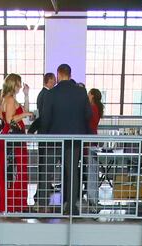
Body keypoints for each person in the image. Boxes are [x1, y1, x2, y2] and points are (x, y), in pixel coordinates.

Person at [45, 64, 93, 215]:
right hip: (75, 139)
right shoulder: (81, 92)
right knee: (72, 172)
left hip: (54, 139)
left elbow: (46, 118)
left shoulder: (52, 93)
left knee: (48, 170)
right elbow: (88, 114)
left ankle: (44, 204)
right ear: (70, 74)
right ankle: (71, 206)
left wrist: (45, 134)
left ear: (58, 75)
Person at [0, 74, 29, 214]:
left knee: (15, 171)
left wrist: (26, 96)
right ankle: (14, 203)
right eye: (19, 83)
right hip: (13, 140)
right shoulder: (10, 99)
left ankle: (15, 203)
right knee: (15, 171)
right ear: (13, 84)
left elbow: (23, 111)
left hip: (13, 138)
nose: (20, 86)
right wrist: (25, 115)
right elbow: (10, 119)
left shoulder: (8, 98)